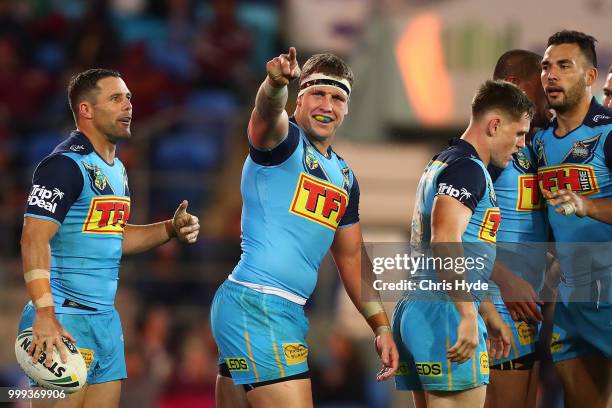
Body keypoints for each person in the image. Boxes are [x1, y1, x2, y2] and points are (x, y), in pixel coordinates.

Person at [209, 48, 398, 408]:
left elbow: (353, 258)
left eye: (338, 97)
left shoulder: (344, 177)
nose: (328, 104)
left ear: (347, 108)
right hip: (260, 304)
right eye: (319, 94)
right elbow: (266, 113)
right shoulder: (283, 142)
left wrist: (381, 327)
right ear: (299, 99)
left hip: (279, 311)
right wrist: (274, 84)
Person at [18, 68, 201, 408]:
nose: (128, 105)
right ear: (85, 110)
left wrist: (170, 229)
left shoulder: (116, 169)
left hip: (105, 321)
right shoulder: (63, 165)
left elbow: (114, 239)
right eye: (116, 98)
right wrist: (45, 315)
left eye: (129, 97)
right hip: (63, 319)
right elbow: (33, 238)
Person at [394, 80, 532, 408]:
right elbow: (444, 240)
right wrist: (468, 314)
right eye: (520, 133)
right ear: (495, 125)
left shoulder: (444, 161)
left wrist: (486, 311)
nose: (522, 145)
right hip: (444, 311)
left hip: (418, 306)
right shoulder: (467, 169)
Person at [533, 30, 612, 407]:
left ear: (590, 77)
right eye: (546, 66)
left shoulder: (609, 133)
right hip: (570, 299)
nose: (551, 74)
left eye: (565, 66)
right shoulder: (537, 143)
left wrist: (589, 206)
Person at [484, 50, 551, 408]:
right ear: (513, 86)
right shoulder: (484, 150)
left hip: (528, 308)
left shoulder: (530, 146)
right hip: (497, 305)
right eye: (539, 87)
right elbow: (447, 237)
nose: (547, 95)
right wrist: (505, 278)